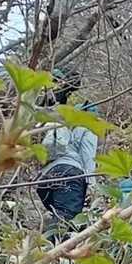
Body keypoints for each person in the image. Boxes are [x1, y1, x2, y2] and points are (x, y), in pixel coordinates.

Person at [34, 68, 99, 238]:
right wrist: (92, 186)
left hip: (45, 177)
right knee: (66, 218)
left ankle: (47, 244)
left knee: (59, 217)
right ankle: (45, 250)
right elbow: (88, 157)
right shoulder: (88, 128)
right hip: (70, 175)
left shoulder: (63, 126)